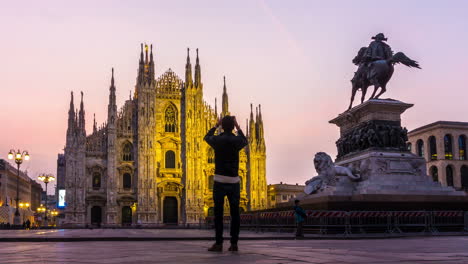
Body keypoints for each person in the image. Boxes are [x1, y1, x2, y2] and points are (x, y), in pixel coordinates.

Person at [204, 115, 248, 252]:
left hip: (219, 180)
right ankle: (234, 243)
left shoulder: (218, 140)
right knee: (235, 215)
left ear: (222, 126)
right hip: (234, 181)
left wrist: (215, 125)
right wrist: (238, 126)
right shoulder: (236, 140)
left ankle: (218, 243)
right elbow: (245, 140)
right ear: (233, 126)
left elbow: (207, 137)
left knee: (218, 214)